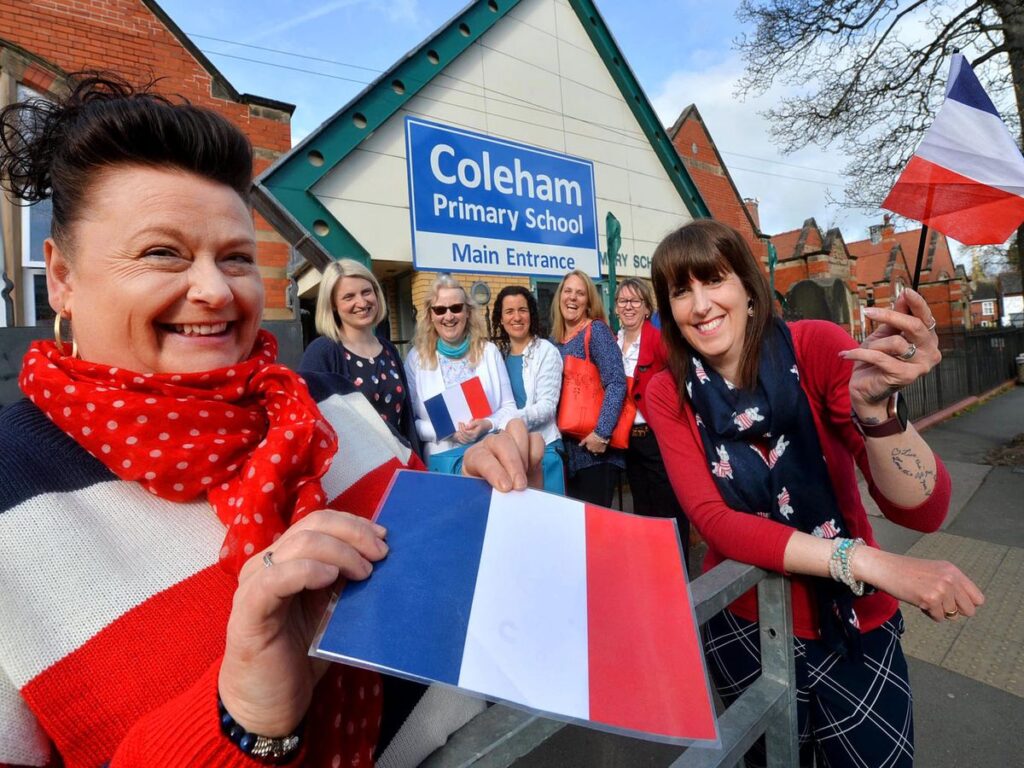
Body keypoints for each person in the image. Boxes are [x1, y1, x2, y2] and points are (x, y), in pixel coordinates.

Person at [0, 75, 542, 768]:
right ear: (63, 276)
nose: (215, 289)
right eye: (163, 252)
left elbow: (431, 583)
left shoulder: (325, 408)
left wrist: (465, 493)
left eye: (236, 257)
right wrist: (242, 718)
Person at [645, 219, 984, 768]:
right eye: (681, 291)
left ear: (749, 290)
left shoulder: (817, 347)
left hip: (854, 629)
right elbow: (716, 522)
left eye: (713, 280)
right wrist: (868, 561)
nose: (701, 304)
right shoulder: (668, 393)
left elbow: (923, 509)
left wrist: (876, 413)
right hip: (745, 628)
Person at [300, 259, 419, 456]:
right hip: (356, 476)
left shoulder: (389, 350)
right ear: (333, 305)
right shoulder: (322, 352)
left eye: (366, 292)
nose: (362, 303)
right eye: (349, 297)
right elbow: (306, 421)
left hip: (401, 465)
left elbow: (406, 419)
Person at [405, 275, 517, 475]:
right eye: (440, 310)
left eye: (456, 308)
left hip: (490, 457)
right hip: (443, 463)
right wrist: (448, 433)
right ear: (430, 315)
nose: (448, 316)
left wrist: (486, 424)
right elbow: (411, 421)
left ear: (467, 312)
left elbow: (509, 407)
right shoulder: (417, 358)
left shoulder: (489, 352)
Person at [614, 277, 690, 566]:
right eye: (623, 301)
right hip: (627, 439)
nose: (628, 306)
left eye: (635, 301)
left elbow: (681, 379)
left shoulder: (659, 340)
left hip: (656, 438)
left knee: (668, 508)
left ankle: (678, 568)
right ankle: (653, 568)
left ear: (647, 308)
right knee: (643, 507)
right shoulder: (613, 340)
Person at [551, 269, 626, 507]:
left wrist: (602, 433)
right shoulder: (554, 341)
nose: (572, 298)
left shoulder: (596, 331)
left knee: (595, 530)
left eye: (580, 293)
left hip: (595, 453)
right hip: (568, 453)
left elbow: (616, 381)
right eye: (568, 291)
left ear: (588, 301)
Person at [491, 286, 565, 494]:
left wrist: (508, 423)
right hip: (509, 452)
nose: (517, 317)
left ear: (531, 314)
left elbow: (547, 407)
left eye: (522, 310)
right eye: (509, 311)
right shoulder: (500, 357)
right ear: (501, 318)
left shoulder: (546, 352)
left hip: (543, 450)